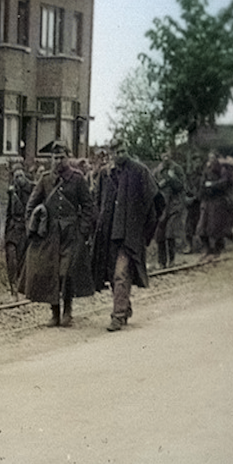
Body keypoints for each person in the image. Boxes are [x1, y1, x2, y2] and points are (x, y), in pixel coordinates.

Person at [19, 140, 95, 327]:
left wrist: (83, 231)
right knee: (50, 272)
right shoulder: (45, 180)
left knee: (66, 272)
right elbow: (31, 205)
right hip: (49, 235)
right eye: (55, 157)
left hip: (71, 234)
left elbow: (88, 207)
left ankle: (67, 309)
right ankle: (55, 312)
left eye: (62, 157)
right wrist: (33, 226)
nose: (58, 161)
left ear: (68, 158)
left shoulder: (78, 179)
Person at [92, 137, 162, 331]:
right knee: (111, 275)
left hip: (129, 235)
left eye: (122, 151)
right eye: (116, 152)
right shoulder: (106, 175)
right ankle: (124, 306)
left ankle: (118, 315)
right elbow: (97, 202)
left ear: (127, 150)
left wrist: (144, 231)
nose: (120, 155)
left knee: (121, 273)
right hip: (109, 234)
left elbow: (156, 202)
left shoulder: (140, 172)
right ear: (111, 154)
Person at [195, 150, 233, 261]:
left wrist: (212, 185)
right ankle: (207, 250)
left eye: (213, 157)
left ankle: (217, 251)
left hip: (218, 201)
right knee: (201, 228)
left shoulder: (223, 169)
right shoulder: (206, 170)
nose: (211, 160)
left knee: (216, 228)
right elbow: (202, 184)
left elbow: (225, 182)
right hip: (207, 201)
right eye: (209, 158)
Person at [151, 146, 188, 268]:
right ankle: (162, 262)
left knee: (170, 233)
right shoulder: (157, 170)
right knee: (160, 234)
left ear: (170, 155)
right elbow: (152, 186)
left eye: (167, 154)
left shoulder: (176, 169)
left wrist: (171, 178)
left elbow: (181, 186)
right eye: (163, 154)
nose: (165, 157)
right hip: (162, 206)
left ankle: (172, 260)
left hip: (174, 205)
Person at [3, 164, 33, 298]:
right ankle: (13, 288)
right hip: (12, 229)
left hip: (24, 229)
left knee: (22, 259)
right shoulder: (12, 192)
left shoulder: (32, 190)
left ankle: (21, 288)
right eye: (16, 177)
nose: (19, 179)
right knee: (11, 258)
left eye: (21, 176)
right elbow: (9, 212)